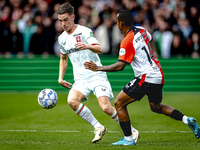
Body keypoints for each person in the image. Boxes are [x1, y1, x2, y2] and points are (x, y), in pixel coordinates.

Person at [84, 10, 200, 146]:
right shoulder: (141, 29)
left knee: (119, 103)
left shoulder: (126, 41)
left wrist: (98, 68)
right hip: (158, 74)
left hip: (146, 76)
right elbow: (148, 39)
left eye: (117, 21)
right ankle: (187, 119)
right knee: (156, 107)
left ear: (121, 24)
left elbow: (120, 66)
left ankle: (128, 139)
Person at [56, 3, 140, 143]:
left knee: (106, 107)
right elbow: (63, 58)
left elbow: (99, 48)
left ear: (73, 17)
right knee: (72, 101)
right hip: (81, 79)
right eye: (60, 21)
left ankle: (132, 131)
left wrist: (87, 45)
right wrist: (60, 78)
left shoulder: (84, 31)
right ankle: (98, 127)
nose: (63, 23)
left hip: (96, 74)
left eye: (65, 19)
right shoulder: (62, 39)